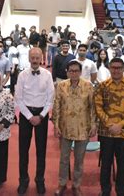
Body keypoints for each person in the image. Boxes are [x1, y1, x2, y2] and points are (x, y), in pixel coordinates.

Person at [95, 58, 124, 196]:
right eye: (113, 67)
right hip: (106, 132)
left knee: (122, 166)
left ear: (123, 69)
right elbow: (98, 107)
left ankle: (121, 192)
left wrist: (120, 124)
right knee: (105, 165)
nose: (116, 70)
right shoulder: (102, 86)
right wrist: (110, 124)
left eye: (119, 68)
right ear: (109, 68)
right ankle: (105, 191)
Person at [52, 60, 96, 196]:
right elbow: (56, 106)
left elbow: (93, 108)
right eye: (71, 71)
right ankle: (62, 183)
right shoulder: (61, 86)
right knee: (63, 159)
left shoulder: (88, 86)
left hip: (83, 128)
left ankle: (76, 185)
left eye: (76, 71)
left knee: (79, 160)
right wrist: (56, 125)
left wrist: (94, 125)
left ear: (80, 72)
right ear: (67, 72)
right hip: (65, 128)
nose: (74, 73)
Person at [15, 48, 55, 195]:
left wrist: (41, 115)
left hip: (41, 116)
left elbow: (50, 98)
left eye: (38, 57)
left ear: (41, 58)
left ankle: (40, 180)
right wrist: (29, 116)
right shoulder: (22, 75)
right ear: (29, 58)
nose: (35, 60)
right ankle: (23, 181)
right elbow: (18, 97)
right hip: (26, 116)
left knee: (41, 150)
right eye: (33, 57)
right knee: (23, 150)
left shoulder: (47, 75)